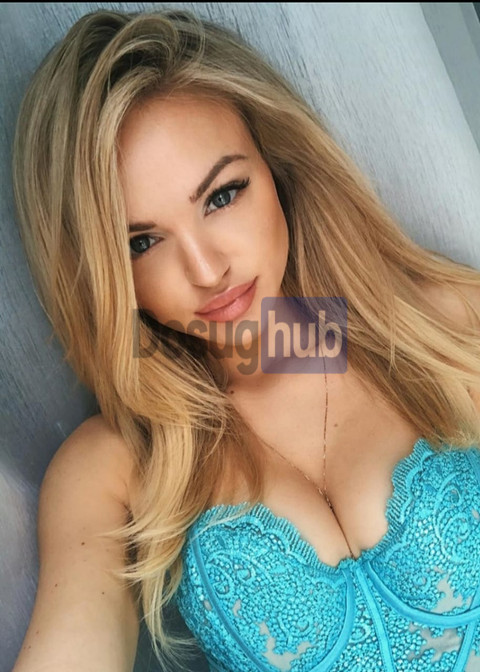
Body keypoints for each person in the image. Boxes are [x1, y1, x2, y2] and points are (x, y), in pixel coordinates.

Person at [10, 6, 480, 672]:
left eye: (222, 195)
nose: (206, 270)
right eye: (142, 242)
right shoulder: (114, 467)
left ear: (278, 169)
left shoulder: (452, 325)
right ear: (104, 275)